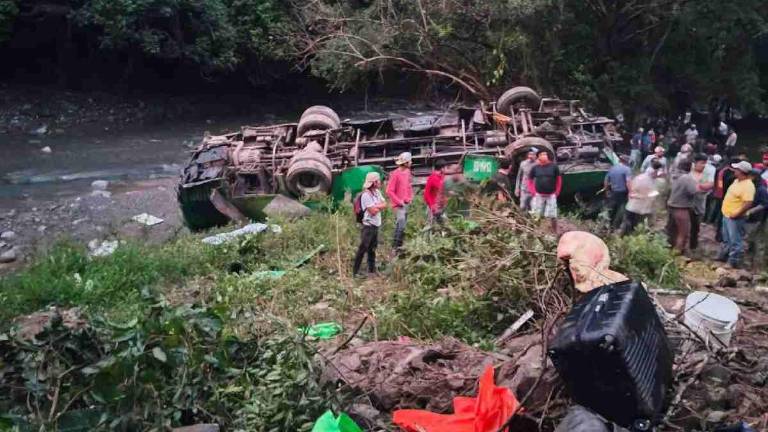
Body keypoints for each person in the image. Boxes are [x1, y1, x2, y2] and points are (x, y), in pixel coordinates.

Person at [717, 161, 756, 269]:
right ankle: (724, 256)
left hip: (735, 217)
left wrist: (737, 214)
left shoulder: (748, 186)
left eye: (736, 169)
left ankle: (733, 261)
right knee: (726, 238)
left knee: (735, 240)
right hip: (727, 214)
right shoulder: (736, 181)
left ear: (742, 172)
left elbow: (748, 203)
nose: (734, 170)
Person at [353, 172, 387, 277]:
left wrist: (377, 206)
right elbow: (373, 211)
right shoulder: (365, 195)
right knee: (363, 248)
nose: (380, 182)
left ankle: (371, 270)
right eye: (378, 180)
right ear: (374, 182)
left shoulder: (377, 192)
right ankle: (355, 271)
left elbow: (385, 204)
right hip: (368, 226)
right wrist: (378, 206)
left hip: (376, 225)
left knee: (372, 248)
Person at [666, 160, 700, 254]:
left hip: (671, 206)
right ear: (690, 167)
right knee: (683, 232)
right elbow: (693, 191)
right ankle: (677, 252)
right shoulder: (687, 178)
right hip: (681, 207)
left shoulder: (674, 176)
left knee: (672, 230)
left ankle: (668, 248)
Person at [621, 160, 663, 235]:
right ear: (655, 171)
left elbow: (632, 190)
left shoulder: (639, 177)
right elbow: (651, 195)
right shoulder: (651, 181)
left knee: (628, 226)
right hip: (641, 209)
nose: (658, 175)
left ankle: (624, 239)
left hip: (632, 206)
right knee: (636, 228)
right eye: (658, 173)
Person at [386, 152, 413, 256]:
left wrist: (410, 197)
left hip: (406, 203)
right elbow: (389, 191)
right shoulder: (395, 174)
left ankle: (400, 248)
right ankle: (394, 248)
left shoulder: (407, 172)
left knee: (403, 226)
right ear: (405, 163)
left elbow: (408, 186)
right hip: (398, 205)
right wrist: (399, 201)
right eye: (409, 161)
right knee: (400, 225)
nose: (411, 162)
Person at [528, 151, 562, 232]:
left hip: (551, 195)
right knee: (536, 214)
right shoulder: (535, 168)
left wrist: (557, 191)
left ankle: (555, 231)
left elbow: (559, 179)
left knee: (553, 215)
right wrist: (532, 191)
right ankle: (535, 231)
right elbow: (529, 180)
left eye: (545, 154)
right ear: (538, 157)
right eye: (542, 155)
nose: (544, 156)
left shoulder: (554, 167)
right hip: (539, 195)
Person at [689, 154, 715, 252]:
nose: (703, 165)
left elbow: (710, 184)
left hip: (699, 201)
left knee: (695, 224)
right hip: (686, 201)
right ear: (695, 163)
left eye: (705, 163)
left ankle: (693, 245)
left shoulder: (710, 169)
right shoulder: (689, 167)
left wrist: (697, 187)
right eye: (701, 163)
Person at [604, 155, 632, 229]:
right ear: (626, 161)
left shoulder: (612, 168)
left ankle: (607, 225)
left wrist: (607, 190)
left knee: (611, 209)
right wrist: (630, 192)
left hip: (613, 192)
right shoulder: (627, 169)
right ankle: (618, 227)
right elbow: (628, 182)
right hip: (623, 193)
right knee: (622, 210)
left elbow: (606, 180)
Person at [424, 159, 448, 224]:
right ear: (442, 168)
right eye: (446, 168)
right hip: (433, 205)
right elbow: (426, 195)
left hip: (439, 204)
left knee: (443, 224)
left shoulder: (441, 176)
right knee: (431, 224)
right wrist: (432, 205)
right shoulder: (433, 178)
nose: (447, 169)